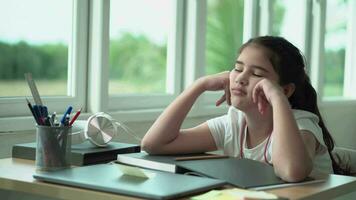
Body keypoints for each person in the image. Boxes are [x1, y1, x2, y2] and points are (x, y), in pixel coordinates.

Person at [141, 36, 347, 182]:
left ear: (285, 90)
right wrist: (199, 86)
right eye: (238, 69)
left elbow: (292, 171)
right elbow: (154, 144)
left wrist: (276, 98)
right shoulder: (234, 123)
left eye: (257, 73)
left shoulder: (302, 123)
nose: (240, 78)